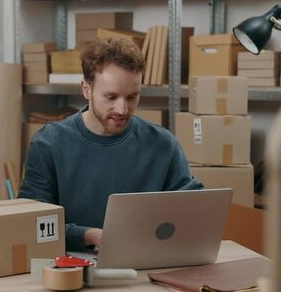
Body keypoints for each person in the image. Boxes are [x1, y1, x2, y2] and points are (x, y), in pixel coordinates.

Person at [18, 38, 202, 252]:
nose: (122, 109)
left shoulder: (163, 145)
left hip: (145, 265)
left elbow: (191, 214)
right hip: (70, 265)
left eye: (132, 97)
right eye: (111, 97)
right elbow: (31, 222)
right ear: (86, 89)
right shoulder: (49, 143)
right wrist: (90, 236)